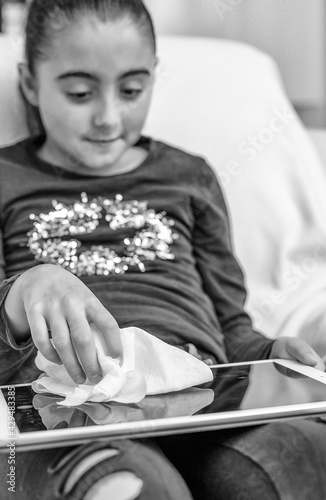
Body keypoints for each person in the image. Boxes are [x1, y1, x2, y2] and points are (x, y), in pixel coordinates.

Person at [0, 1, 326, 499]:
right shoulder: (6, 178)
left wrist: (268, 355)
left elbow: (230, 323)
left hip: (202, 396)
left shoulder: (188, 177)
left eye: (131, 90)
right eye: (80, 93)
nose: (109, 117)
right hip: (64, 405)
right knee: (132, 484)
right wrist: (23, 292)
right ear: (30, 84)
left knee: (293, 457)